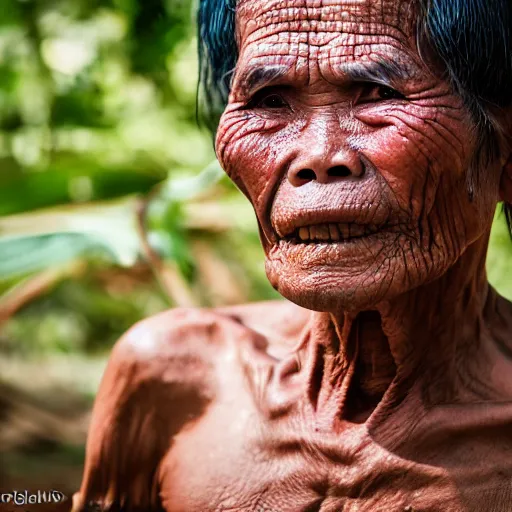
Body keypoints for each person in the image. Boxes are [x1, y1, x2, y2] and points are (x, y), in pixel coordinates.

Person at [74, 0, 512, 510]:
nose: (319, 157)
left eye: (378, 94)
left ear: (505, 151)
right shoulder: (171, 381)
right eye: (270, 100)